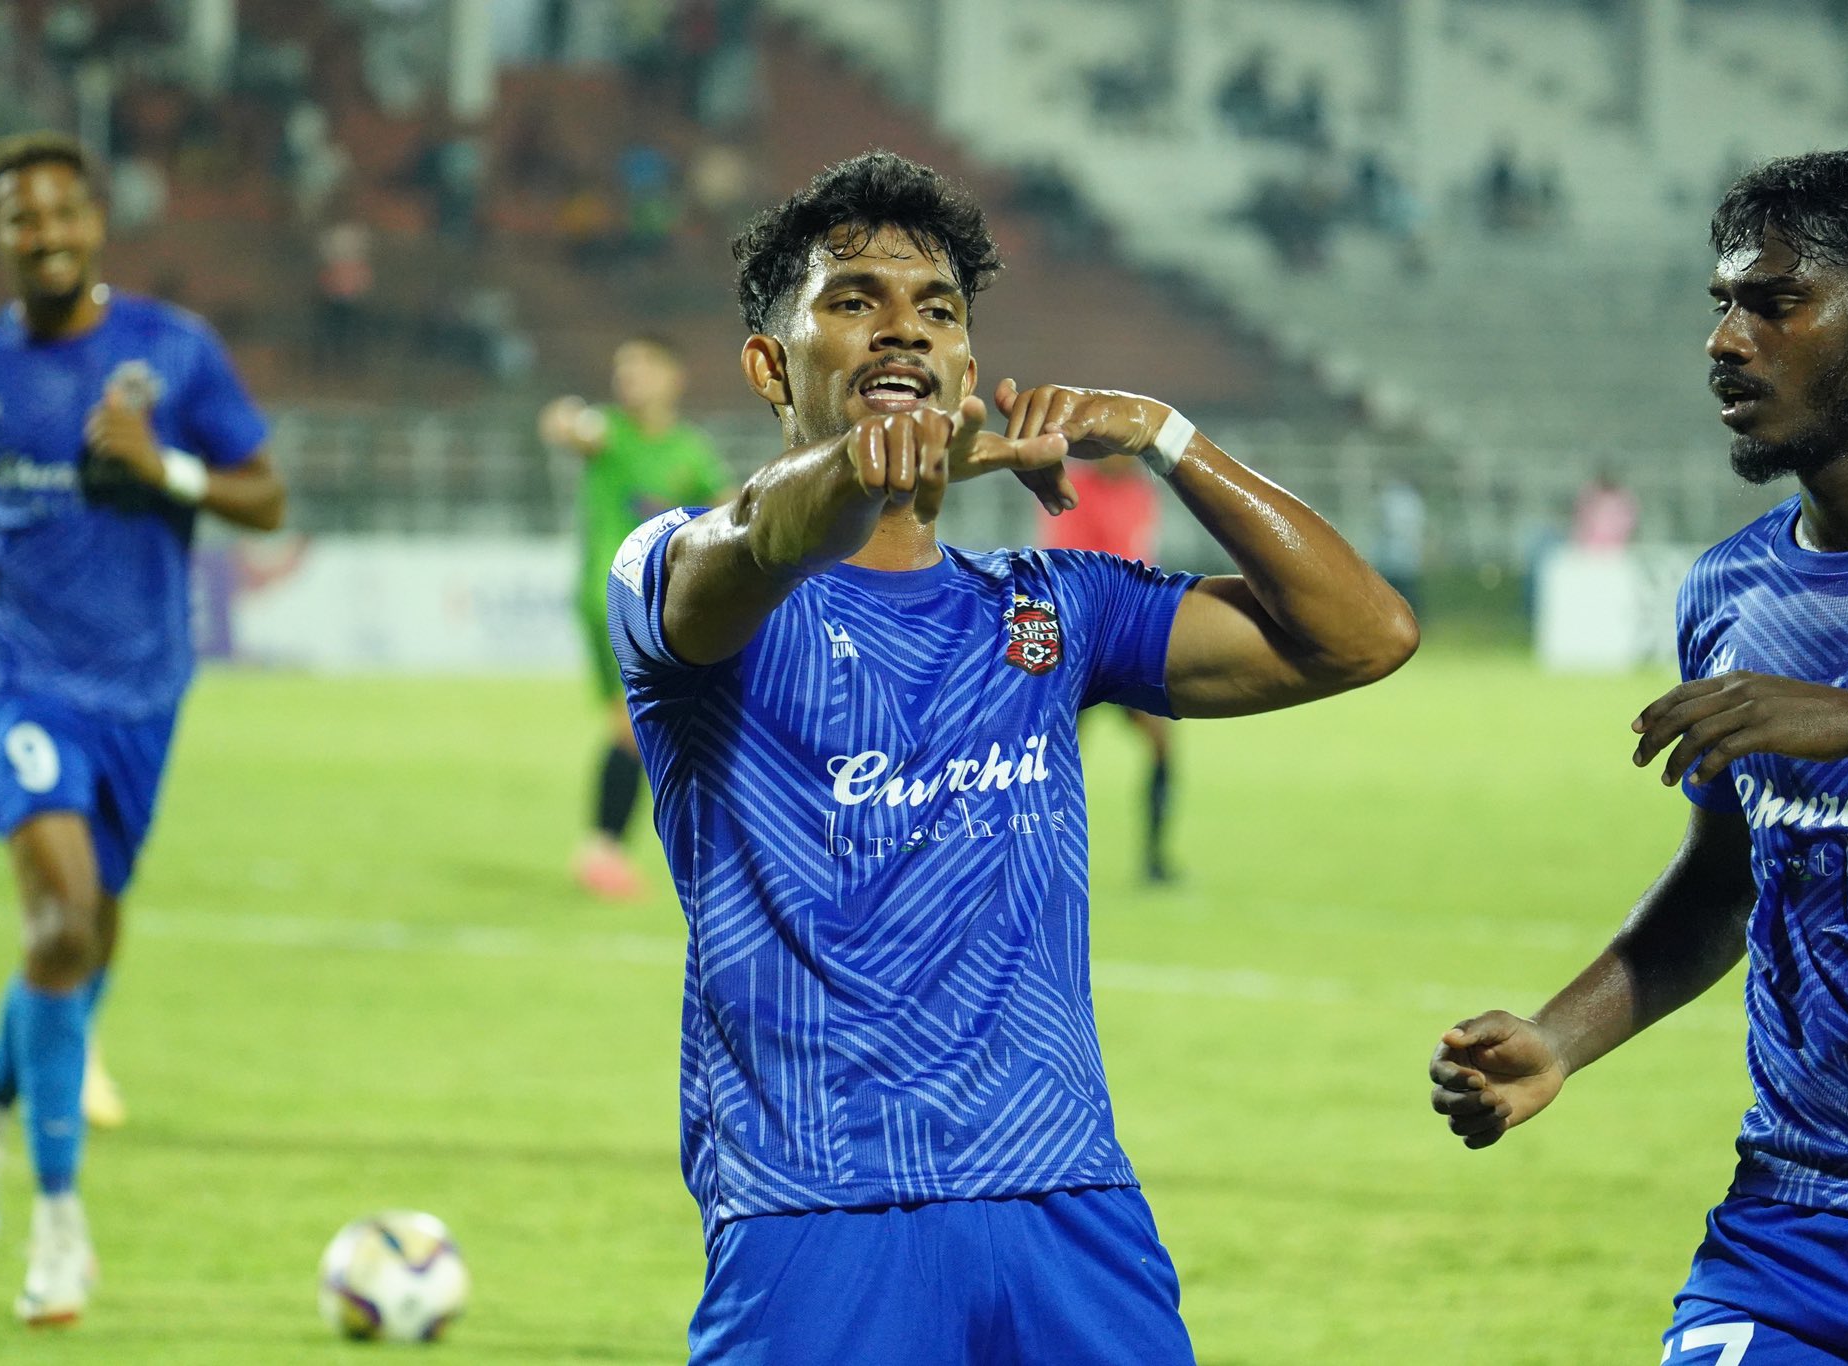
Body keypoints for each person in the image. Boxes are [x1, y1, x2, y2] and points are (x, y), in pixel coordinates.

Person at [607, 152, 1417, 1362]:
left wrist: (1161, 434)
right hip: (820, 1215)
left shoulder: (1053, 608)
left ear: (970, 368)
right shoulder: (679, 575)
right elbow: (763, 533)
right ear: (771, 366)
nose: (901, 330)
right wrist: (901, 460)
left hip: (1069, 1204)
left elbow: (1366, 635)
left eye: (936, 310)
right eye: (852, 300)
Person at [1428, 134, 1848, 1364]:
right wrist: (1560, 1036)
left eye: (1773, 302)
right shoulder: (1728, 590)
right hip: (1789, 1228)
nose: (1723, 340)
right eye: (1720, 304)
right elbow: (1726, 872)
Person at [0, 132, 285, 1325]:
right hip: (23, 691)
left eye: (62, 213)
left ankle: (5, 1097)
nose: (44, 235)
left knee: (85, 942)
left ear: (96, 220)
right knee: (60, 920)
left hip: (145, 696)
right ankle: (59, 1225)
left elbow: (264, 497)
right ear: (3, 237)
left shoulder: (170, 351)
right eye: (21, 219)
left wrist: (163, 467)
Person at [540, 333, 729, 901]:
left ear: (674, 376)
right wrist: (569, 419)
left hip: (658, 602)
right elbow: (562, 424)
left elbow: (726, 506)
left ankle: (610, 849)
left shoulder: (689, 450)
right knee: (640, 724)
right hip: (612, 600)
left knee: (647, 724)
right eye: (623, 367)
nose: (630, 377)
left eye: (643, 365)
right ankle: (603, 850)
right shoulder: (609, 433)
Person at [1034, 454, 1177, 882]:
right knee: (1052, 756)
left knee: (1161, 745)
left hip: (1128, 642)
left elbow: (1142, 561)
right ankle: (1039, 853)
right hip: (1080, 642)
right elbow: (1065, 563)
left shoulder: (1140, 490)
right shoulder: (1073, 487)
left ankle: (1154, 859)